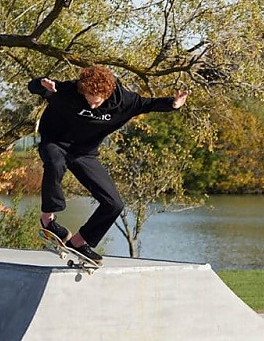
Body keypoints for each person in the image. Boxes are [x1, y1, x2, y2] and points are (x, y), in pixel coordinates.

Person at [28, 65, 188, 262]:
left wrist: (172, 104)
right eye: (88, 100)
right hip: (55, 142)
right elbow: (34, 86)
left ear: (107, 93)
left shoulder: (125, 101)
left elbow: (149, 104)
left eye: (96, 102)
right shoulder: (68, 89)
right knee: (55, 163)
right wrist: (41, 84)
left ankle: (79, 242)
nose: (92, 106)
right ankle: (48, 220)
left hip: (84, 153)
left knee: (114, 204)